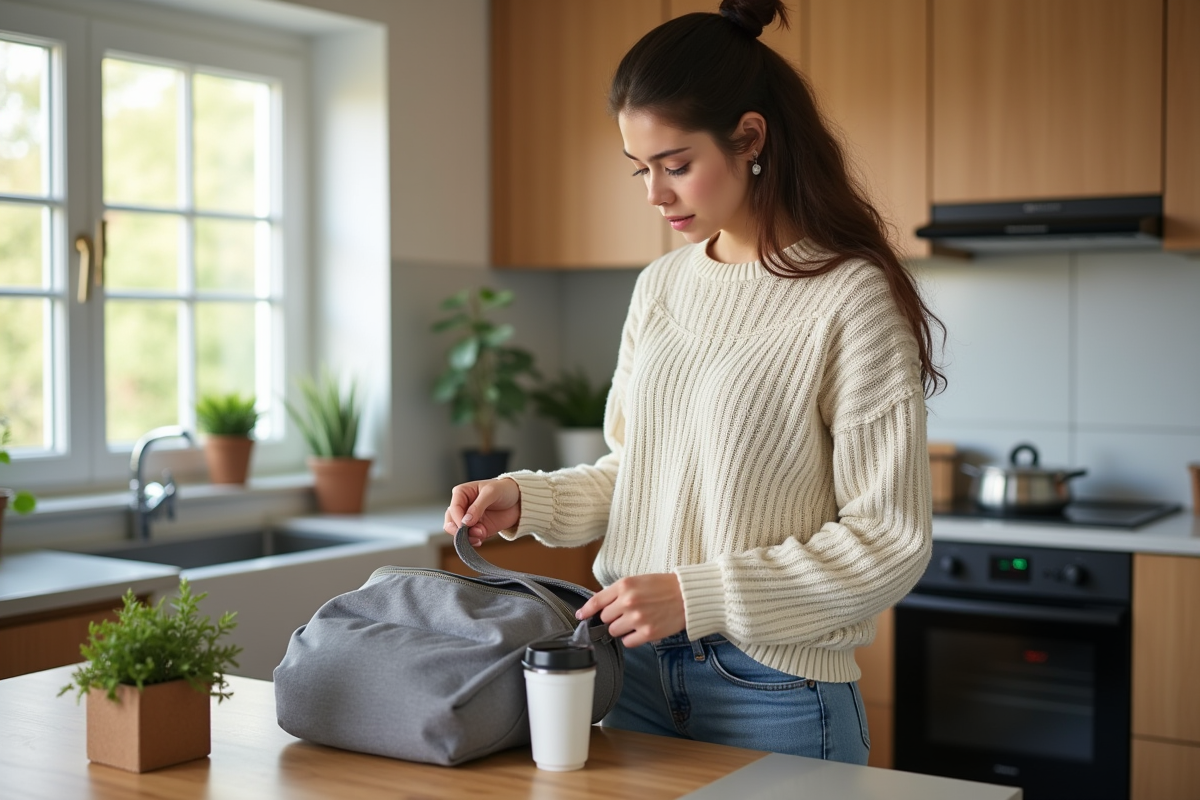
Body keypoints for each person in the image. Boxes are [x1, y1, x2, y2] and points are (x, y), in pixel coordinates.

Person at [443, 0, 945, 765]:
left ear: (750, 139)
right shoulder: (663, 286)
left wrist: (695, 594)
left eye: (675, 165)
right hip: (631, 673)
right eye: (640, 169)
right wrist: (528, 498)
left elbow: (888, 542)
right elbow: (635, 473)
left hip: (773, 689)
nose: (654, 192)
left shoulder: (849, 297)